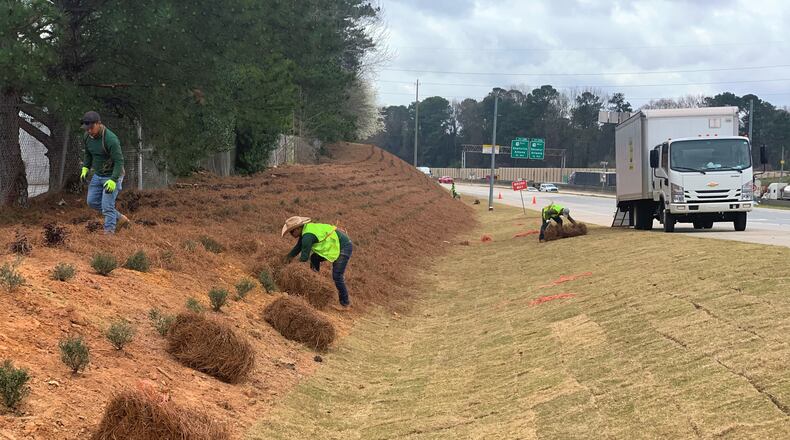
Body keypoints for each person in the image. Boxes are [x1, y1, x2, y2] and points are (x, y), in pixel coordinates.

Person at [282, 216, 353, 310]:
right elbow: (298, 247)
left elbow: (304, 258)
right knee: (314, 258)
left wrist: (292, 266)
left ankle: (345, 304)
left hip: (343, 245)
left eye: (292, 232)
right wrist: (286, 259)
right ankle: (315, 279)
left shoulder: (307, 236)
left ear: (298, 228)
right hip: (335, 244)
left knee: (337, 275)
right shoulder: (305, 231)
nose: (291, 234)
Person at [79, 111, 129, 233]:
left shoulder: (110, 139)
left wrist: (113, 180)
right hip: (98, 174)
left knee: (107, 207)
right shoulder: (87, 136)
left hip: (113, 175)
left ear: (98, 124)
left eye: (91, 128)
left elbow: (119, 161)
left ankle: (109, 236)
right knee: (92, 202)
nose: (89, 131)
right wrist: (85, 168)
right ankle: (120, 218)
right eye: (87, 128)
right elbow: (88, 154)